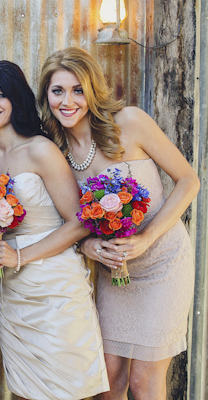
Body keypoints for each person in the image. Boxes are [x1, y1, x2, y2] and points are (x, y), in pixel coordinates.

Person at [37, 47, 200, 400]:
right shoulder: (55, 151)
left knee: (143, 381)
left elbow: (189, 180)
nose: (67, 101)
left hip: (163, 265)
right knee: (106, 382)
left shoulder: (130, 122)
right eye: (57, 91)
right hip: (114, 274)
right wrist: (89, 246)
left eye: (77, 90)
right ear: (45, 95)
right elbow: (65, 222)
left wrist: (147, 237)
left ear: (93, 90)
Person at [0, 60, 109, 399]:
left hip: (55, 287)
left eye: (0, 95)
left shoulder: (40, 150)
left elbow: (79, 222)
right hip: (14, 293)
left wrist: (19, 255)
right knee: (23, 391)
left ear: (16, 99)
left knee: (67, 388)